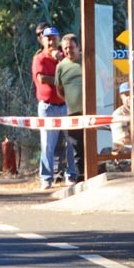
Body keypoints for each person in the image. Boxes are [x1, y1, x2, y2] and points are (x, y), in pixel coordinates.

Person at [32, 25, 71, 189]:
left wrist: (61, 61)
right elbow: (42, 79)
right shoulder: (39, 58)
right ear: (43, 41)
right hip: (48, 107)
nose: (51, 42)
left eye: (54, 39)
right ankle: (46, 178)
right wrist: (60, 79)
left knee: (71, 142)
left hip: (66, 104)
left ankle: (71, 175)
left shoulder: (65, 58)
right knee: (47, 144)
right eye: (48, 39)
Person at [55, 33, 84, 183]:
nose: (68, 51)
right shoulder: (61, 67)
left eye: (71, 47)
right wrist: (70, 100)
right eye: (65, 48)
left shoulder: (88, 59)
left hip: (91, 111)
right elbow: (59, 90)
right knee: (76, 146)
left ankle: (95, 173)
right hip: (73, 112)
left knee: (92, 144)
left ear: (78, 47)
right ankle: (80, 177)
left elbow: (105, 80)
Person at [111, 82, 133, 151]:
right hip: (127, 154)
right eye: (127, 94)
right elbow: (123, 142)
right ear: (121, 97)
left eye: (132, 94)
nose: (130, 97)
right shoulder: (118, 114)